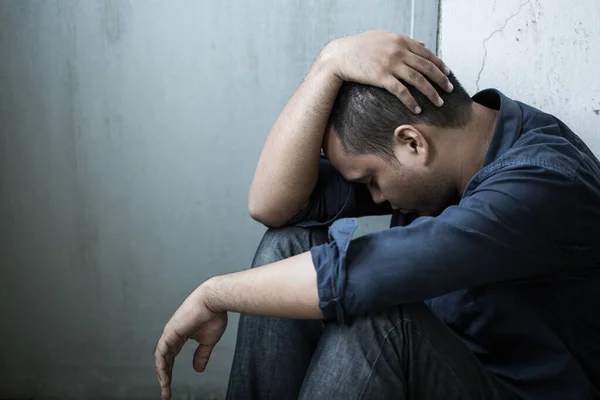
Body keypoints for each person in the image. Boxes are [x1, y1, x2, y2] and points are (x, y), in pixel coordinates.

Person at [154, 30, 600, 400]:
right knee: (286, 244)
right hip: (437, 369)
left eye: (370, 180)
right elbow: (272, 206)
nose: (376, 199)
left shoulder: (541, 184)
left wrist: (214, 294)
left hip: (515, 392)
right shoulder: (446, 160)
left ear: (412, 143)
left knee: (382, 322)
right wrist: (328, 65)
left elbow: (359, 278)